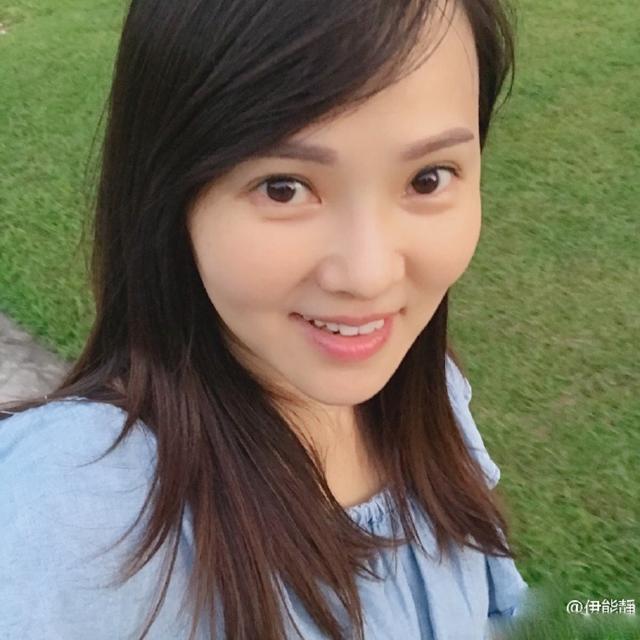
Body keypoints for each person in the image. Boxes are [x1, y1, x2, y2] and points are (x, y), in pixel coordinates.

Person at [0, 0, 535, 638]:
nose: (368, 275)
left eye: (428, 178)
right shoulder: (74, 512)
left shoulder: (432, 392)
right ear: (167, 195)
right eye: (284, 188)